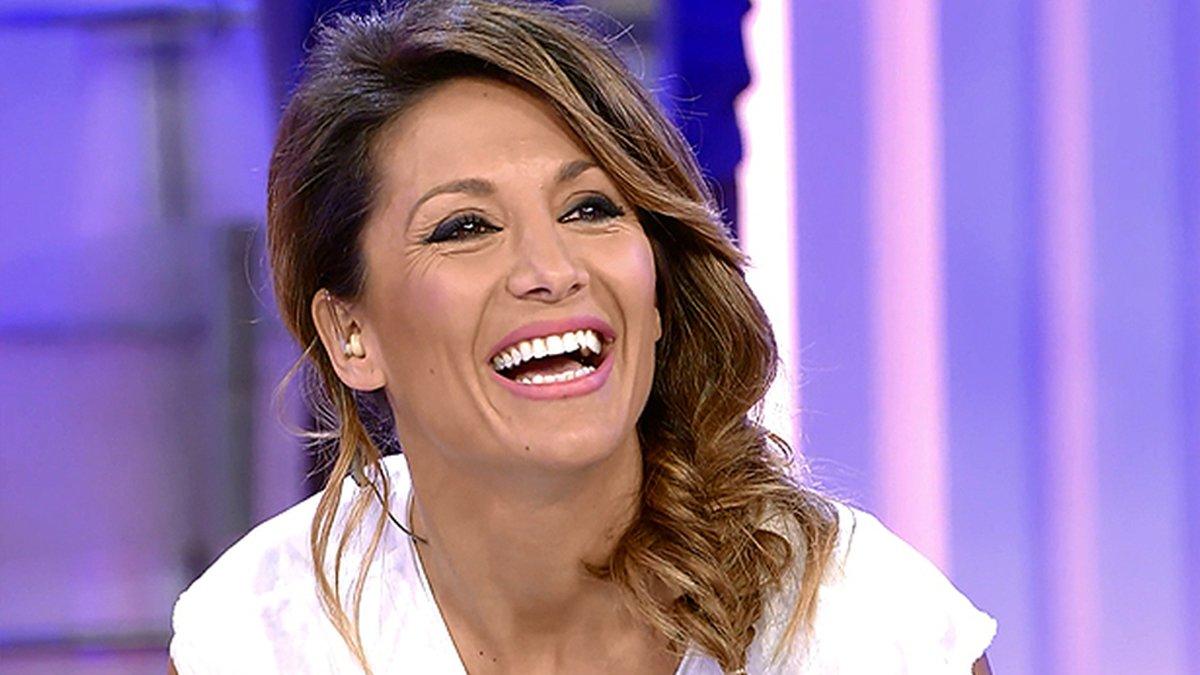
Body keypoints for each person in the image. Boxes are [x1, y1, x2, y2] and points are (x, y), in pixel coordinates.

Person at [168, 1, 996, 673]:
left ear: (657, 284)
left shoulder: (861, 624)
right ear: (351, 333)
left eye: (590, 208)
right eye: (465, 226)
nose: (551, 269)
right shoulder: (265, 637)